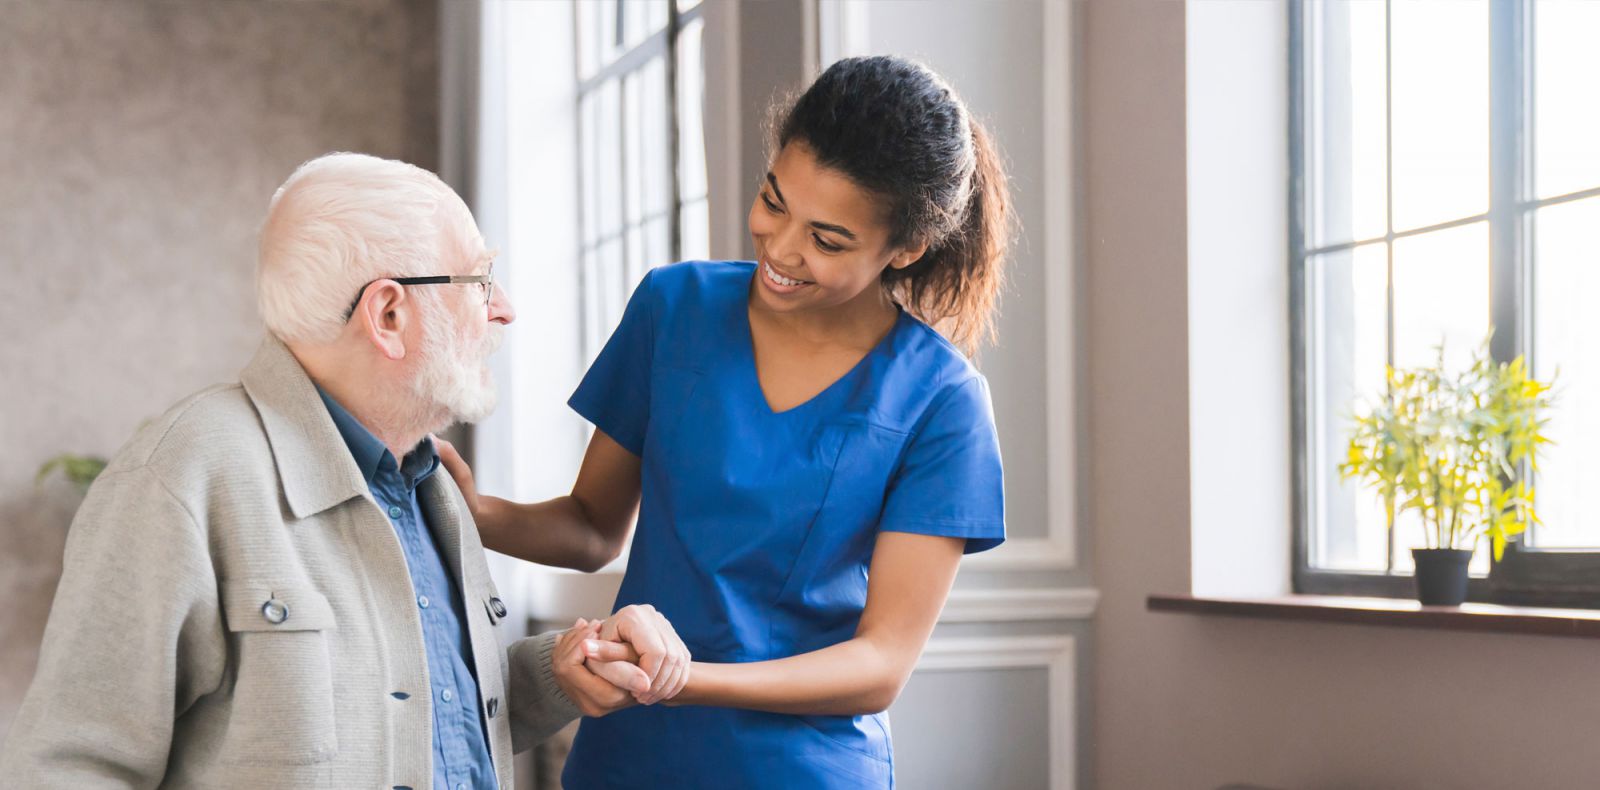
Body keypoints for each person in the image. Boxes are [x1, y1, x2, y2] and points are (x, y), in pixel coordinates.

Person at [0, 152, 681, 789]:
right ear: (389, 314)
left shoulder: (430, 485)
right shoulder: (180, 477)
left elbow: (423, 710)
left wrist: (561, 673)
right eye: (479, 280)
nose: (503, 308)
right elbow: (70, 766)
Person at [440, 55, 1012, 788]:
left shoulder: (943, 400)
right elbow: (590, 528)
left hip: (799, 768)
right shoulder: (672, 308)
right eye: (774, 201)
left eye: (828, 240)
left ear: (904, 249)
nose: (779, 249)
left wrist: (684, 679)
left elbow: (879, 665)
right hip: (630, 754)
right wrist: (472, 513)